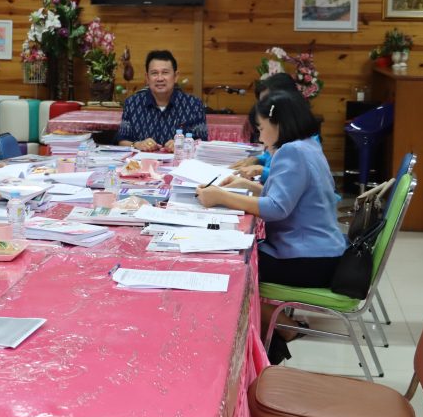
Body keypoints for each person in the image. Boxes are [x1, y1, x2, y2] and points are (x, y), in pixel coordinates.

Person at [196, 89, 346, 362]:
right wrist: (246, 186)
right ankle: (279, 329)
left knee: (232, 269)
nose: (260, 136)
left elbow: (277, 208)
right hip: (323, 252)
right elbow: (288, 196)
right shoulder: (308, 145)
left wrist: (221, 197)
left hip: (309, 259)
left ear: (278, 124)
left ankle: (279, 329)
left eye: (262, 128)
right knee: (240, 258)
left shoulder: (292, 152)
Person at [116, 50, 207, 153]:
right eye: (154, 73)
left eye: (165, 73)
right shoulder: (132, 103)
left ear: (176, 76)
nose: (160, 78)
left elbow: (203, 142)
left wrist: (183, 144)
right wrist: (138, 144)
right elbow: (122, 141)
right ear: (147, 78)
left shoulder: (194, 105)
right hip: (141, 162)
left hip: (180, 161)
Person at [231, 73, 299, 180]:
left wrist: (262, 171)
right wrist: (258, 159)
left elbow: (289, 178)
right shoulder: (278, 129)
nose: (263, 109)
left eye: (268, 103)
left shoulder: (300, 138)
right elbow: (270, 156)